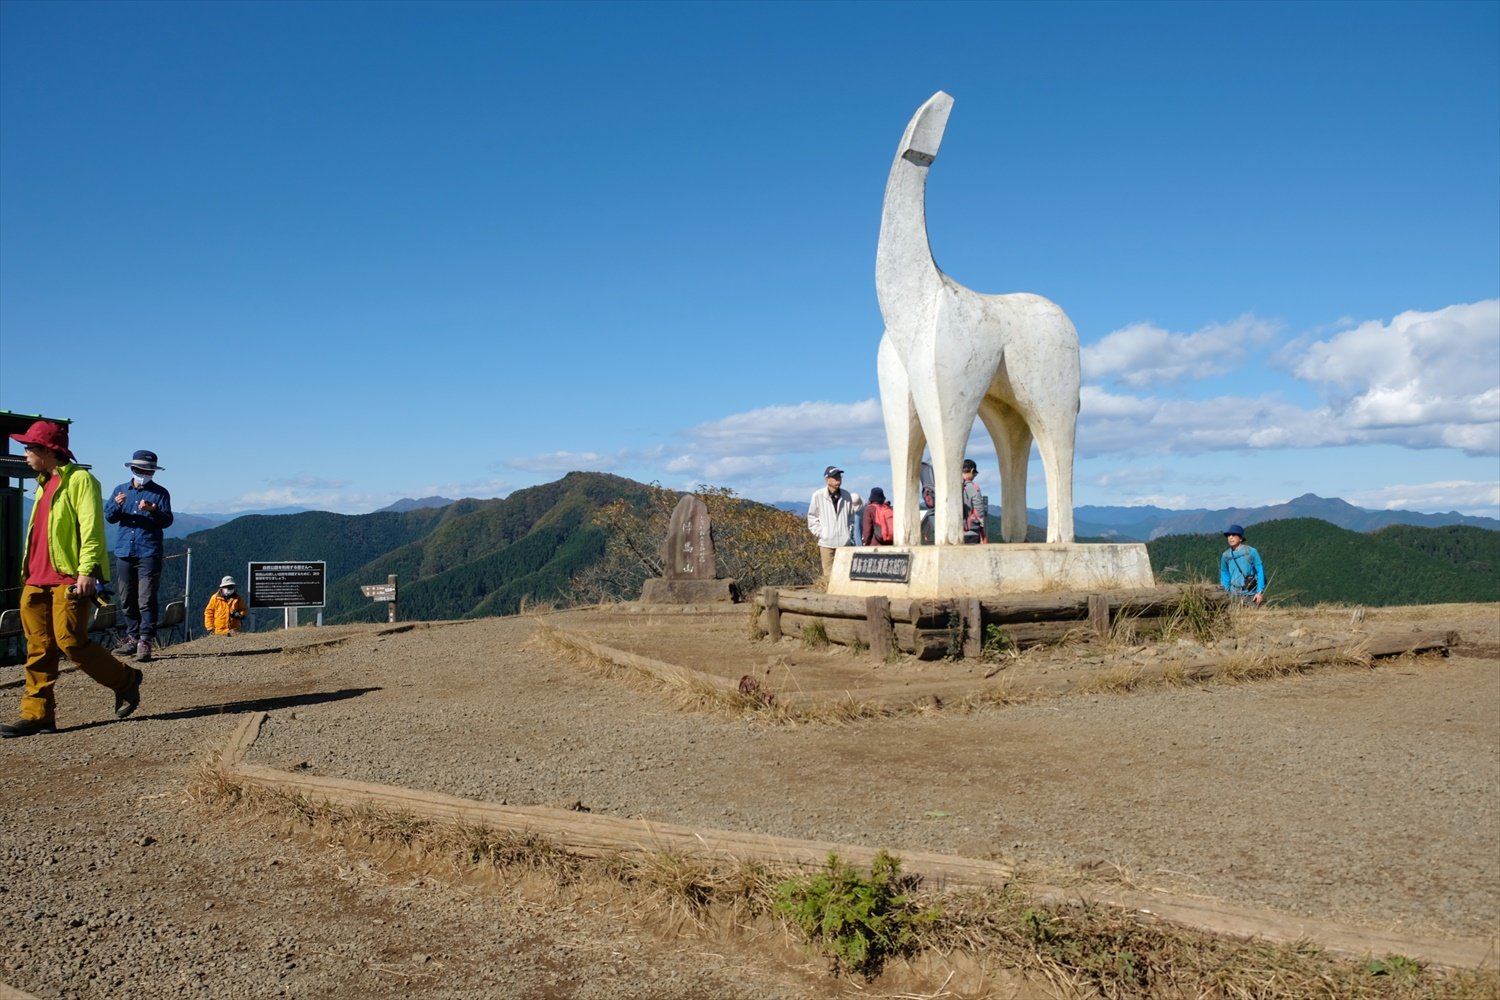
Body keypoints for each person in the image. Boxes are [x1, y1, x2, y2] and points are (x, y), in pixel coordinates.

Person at [2, 420, 142, 738]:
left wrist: (86, 570)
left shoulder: (81, 480)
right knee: (38, 647)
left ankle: (126, 680)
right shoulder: (43, 481)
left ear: (48, 450)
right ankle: (37, 715)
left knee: (70, 642)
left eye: (29, 447)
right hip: (35, 578)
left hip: (68, 577)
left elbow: (91, 527)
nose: (24, 453)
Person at [104, 449, 173, 662]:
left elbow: (167, 521)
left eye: (149, 471)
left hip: (149, 552)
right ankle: (132, 637)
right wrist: (117, 504)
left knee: (146, 598)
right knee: (126, 598)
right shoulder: (120, 490)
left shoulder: (160, 493)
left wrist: (153, 510)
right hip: (125, 550)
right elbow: (109, 517)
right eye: (142, 470)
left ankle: (145, 640)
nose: (145, 474)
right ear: (133, 469)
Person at [807, 466, 859, 578]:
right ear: (827, 479)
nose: (838, 479)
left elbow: (851, 517)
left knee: (845, 575)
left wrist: (848, 532)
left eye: (839, 476)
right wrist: (822, 534)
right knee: (828, 576)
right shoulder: (818, 496)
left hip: (844, 543)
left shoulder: (846, 495)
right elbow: (812, 517)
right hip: (827, 543)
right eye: (835, 477)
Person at [1219, 524, 1266, 606]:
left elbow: (1260, 571)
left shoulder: (1251, 552)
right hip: (1233, 595)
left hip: (1251, 594)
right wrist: (1225, 593)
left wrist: (1259, 592)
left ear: (1240, 538)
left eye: (1233, 535)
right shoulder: (1225, 555)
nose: (1230, 537)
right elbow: (1225, 574)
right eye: (1228, 535)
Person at [961, 458, 988, 544]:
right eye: (975, 474)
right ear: (972, 470)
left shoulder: (954, 485)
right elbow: (979, 510)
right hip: (971, 530)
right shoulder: (974, 487)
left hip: (955, 531)